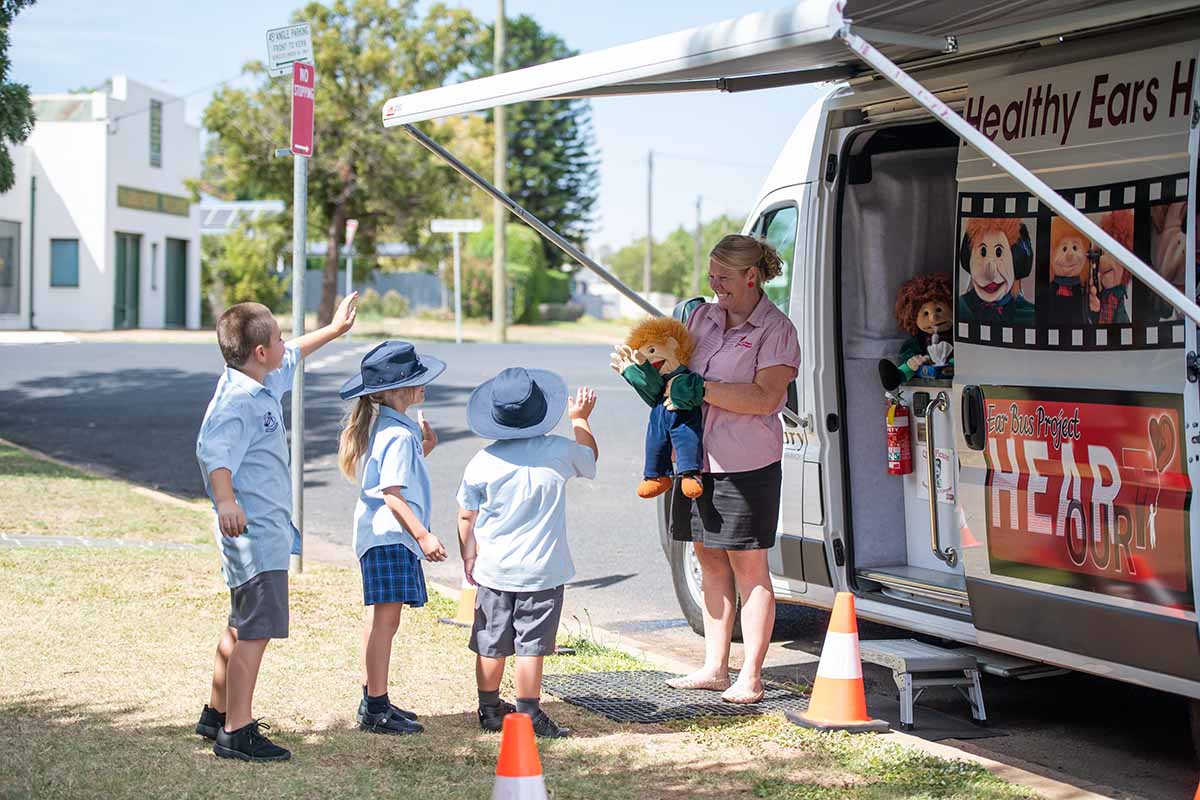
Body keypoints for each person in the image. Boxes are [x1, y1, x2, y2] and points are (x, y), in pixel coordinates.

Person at [194, 294, 358, 762]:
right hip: (253, 537)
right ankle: (236, 731)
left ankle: (216, 712)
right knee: (255, 632)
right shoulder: (236, 402)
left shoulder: (259, 379)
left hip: (263, 533)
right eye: (280, 338)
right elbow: (213, 453)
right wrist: (225, 500)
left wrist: (333, 330)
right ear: (261, 351)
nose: (288, 343)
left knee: (239, 624)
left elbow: (297, 353)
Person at [661, 234, 801, 704]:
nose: (714, 284)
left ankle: (752, 676)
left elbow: (765, 398)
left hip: (746, 463)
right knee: (708, 558)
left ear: (752, 276)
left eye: (723, 276)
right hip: (696, 461)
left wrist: (699, 389)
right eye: (710, 275)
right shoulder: (701, 316)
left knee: (750, 566)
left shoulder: (777, 330)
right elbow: (675, 370)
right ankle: (714, 666)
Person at [456, 368, 598, 738]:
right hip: (543, 571)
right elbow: (589, 458)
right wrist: (580, 420)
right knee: (530, 645)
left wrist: (468, 555)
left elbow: (466, 515)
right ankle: (529, 713)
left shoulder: (482, 461)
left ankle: (489, 709)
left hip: (493, 568)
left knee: (490, 641)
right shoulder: (560, 451)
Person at [337, 340, 448, 736]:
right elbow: (391, 493)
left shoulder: (390, 428)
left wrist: (426, 448)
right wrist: (424, 535)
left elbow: (393, 480)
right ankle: (376, 709)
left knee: (379, 621)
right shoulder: (397, 435)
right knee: (386, 623)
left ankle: (375, 698)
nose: (424, 385)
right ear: (397, 390)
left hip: (380, 536)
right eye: (417, 380)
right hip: (391, 536)